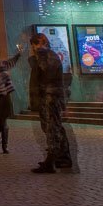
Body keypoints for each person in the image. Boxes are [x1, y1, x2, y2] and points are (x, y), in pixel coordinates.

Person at [29, 33, 71, 173]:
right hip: (48, 96)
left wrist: (38, 55)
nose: (34, 48)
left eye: (35, 45)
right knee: (54, 127)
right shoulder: (48, 55)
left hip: (50, 96)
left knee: (52, 127)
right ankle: (62, 158)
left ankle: (52, 161)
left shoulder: (47, 55)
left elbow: (46, 71)